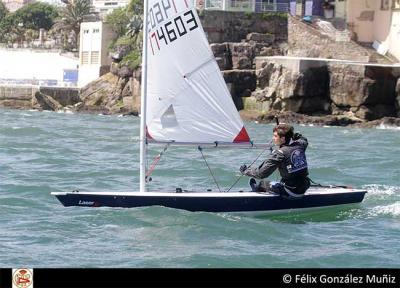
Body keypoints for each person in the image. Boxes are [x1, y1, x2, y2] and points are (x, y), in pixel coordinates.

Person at [239, 123, 310, 197]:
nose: (273, 138)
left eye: (275, 136)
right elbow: (304, 140)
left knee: (262, 183)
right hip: (305, 187)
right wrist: (296, 136)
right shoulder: (300, 145)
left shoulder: (279, 153)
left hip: (291, 191)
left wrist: (246, 171)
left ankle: (256, 190)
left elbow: (261, 174)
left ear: (282, 138)